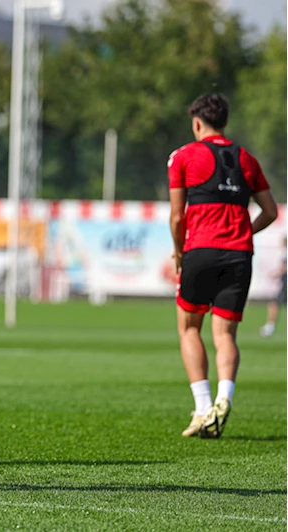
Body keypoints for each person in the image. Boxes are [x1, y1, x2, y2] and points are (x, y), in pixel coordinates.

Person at [168, 93, 277, 439]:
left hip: (199, 250)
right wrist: (246, 230)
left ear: (197, 123)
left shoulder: (183, 156)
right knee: (225, 334)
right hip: (239, 254)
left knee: (189, 328)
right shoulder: (247, 158)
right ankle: (224, 398)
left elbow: (176, 216)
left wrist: (178, 251)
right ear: (225, 123)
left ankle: (202, 407)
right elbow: (271, 211)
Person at [259, 236, 287, 338]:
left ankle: (270, 327)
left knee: (274, 303)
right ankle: (270, 326)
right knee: (274, 303)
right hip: (284, 283)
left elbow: (285, 268)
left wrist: (276, 273)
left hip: (286, 284)